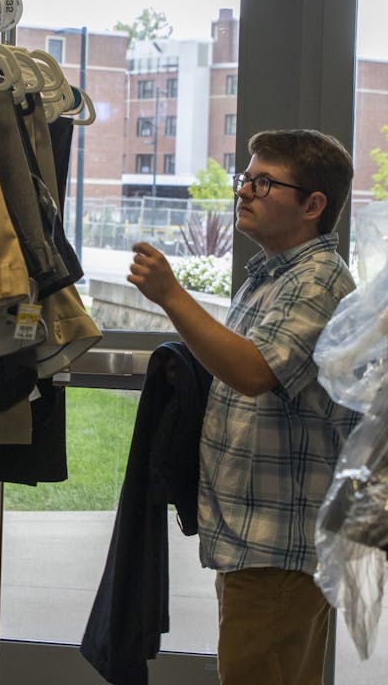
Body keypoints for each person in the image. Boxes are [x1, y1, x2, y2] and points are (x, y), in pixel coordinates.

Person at [127, 129, 360, 684]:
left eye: (263, 182)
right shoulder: (273, 278)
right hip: (257, 542)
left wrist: (172, 296)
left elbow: (255, 371)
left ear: (313, 205)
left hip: (281, 547)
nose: (244, 192)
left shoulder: (318, 281)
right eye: (245, 179)